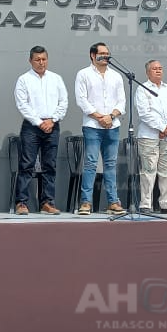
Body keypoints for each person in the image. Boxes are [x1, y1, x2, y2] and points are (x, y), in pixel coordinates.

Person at [13, 46, 68, 215]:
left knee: (49, 165)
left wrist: (53, 120)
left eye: (44, 59)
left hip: (53, 125)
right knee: (27, 165)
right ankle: (21, 203)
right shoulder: (24, 79)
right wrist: (39, 122)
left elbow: (63, 102)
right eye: (37, 59)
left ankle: (47, 203)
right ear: (30, 61)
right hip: (31, 127)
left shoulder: (56, 78)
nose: (41, 62)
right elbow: (22, 104)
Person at [74, 42, 126, 215]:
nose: (105, 56)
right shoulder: (84, 74)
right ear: (92, 55)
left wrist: (111, 116)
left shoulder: (116, 76)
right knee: (90, 164)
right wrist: (100, 117)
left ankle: (113, 202)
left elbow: (122, 102)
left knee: (110, 164)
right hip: (92, 126)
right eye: (102, 53)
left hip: (113, 125)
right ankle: (86, 202)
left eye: (107, 53)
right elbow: (82, 100)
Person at [137, 59, 167, 213]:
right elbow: (144, 113)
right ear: (147, 72)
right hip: (149, 136)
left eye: (160, 68)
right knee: (148, 170)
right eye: (154, 68)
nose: (158, 70)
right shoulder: (142, 89)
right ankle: (145, 204)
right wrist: (162, 127)